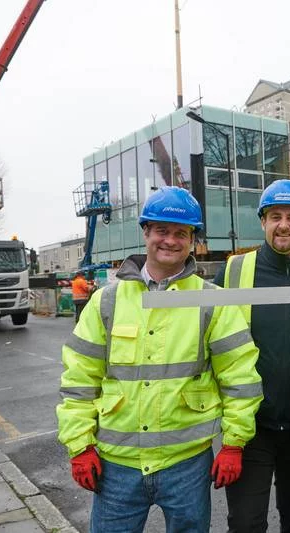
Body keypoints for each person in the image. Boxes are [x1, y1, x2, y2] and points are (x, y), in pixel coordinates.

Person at [56, 186, 263, 533]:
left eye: (181, 233)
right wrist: (80, 446)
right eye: (162, 230)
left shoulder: (213, 302)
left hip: (187, 464)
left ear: (192, 240)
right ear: (146, 232)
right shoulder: (107, 301)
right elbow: (79, 380)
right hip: (115, 465)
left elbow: (240, 379)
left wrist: (233, 443)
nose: (170, 240)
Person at [213, 179, 290, 533]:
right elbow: (214, 340)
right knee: (246, 523)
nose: (284, 224)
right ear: (263, 221)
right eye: (276, 216)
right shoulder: (236, 270)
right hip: (252, 426)